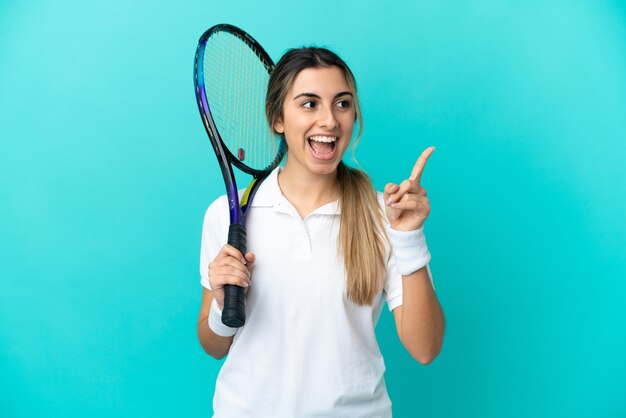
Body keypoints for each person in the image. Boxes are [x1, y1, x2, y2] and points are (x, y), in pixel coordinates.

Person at [197, 46, 445, 418]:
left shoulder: (383, 214)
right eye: (309, 104)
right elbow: (214, 345)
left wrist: (409, 236)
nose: (329, 120)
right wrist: (220, 303)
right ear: (277, 118)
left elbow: (425, 348)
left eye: (342, 104)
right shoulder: (228, 215)